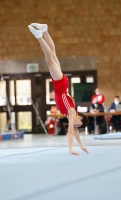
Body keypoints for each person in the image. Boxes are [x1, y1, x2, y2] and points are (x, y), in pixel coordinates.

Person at [28, 23, 89, 155]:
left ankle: (45, 31)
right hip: (60, 85)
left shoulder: (71, 114)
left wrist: (81, 145)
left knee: (53, 55)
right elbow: (70, 132)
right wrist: (70, 148)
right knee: (49, 60)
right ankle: (39, 37)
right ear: (79, 118)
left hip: (61, 85)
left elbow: (76, 132)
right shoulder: (72, 113)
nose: (75, 125)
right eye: (77, 124)